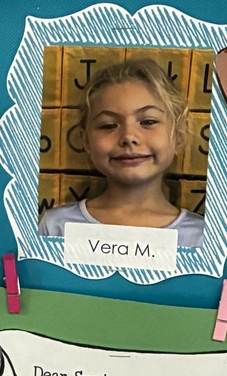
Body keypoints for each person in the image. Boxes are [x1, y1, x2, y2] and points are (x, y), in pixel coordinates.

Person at [38, 58, 204, 247]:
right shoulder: (57, 226)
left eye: (148, 122)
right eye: (108, 125)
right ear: (86, 141)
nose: (128, 137)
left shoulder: (201, 237)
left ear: (179, 136)